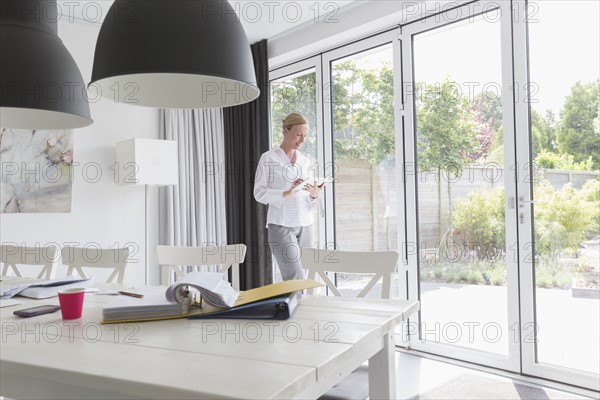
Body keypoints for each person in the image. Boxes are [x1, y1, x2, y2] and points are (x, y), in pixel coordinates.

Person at [254, 113, 324, 280]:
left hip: (305, 224)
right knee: (294, 277)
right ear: (286, 131)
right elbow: (259, 193)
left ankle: (290, 305)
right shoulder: (268, 158)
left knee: (303, 275)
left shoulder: (305, 160)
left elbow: (307, 196)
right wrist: (286, 193)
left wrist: (314, 195)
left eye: (305, 135)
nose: (302, 140)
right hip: (281, 225)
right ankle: (297, 306)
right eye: (299, 134)